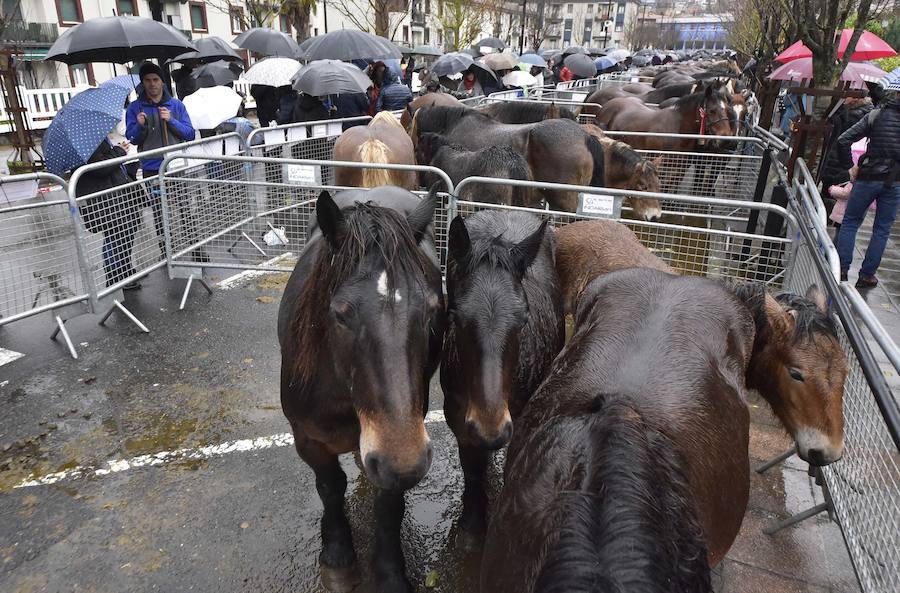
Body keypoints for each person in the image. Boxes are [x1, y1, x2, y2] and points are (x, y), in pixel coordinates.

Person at [125, 61, 197, 259]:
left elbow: (189, 133)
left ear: (162, 82)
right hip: (151, 167)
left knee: (184, 207)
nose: (152, 84)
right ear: (142, 83)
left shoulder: (175, 105)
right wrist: (140, 126)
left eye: (156, 80)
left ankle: (196, 247)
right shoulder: (135, 108)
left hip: (175, 165)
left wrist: (171, 120)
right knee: (159, 211)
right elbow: (132, 138)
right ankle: (167, 251)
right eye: (147, 80)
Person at [834, 90, 900, 289]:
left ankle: (842, 268)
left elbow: (843, 140)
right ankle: (867, 275)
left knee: (851, 221)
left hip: (867, 177)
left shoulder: (877, 114)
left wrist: (850, 167)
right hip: (895, 181)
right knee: (882, 229)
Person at [75, 138, 143, 290]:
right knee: (115, 236)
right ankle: (114, 278)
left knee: (125, 232)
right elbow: (100, 167)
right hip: (105, 198)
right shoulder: (86, 141)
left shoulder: (91, 137)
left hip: (112, 194)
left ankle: (124, 270)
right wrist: (119, 151)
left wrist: (118, 150)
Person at [820, 95, 873, 217]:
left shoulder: (856, 114)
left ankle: (829, 218)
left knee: (836, 192)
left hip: (843, 159)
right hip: (843, 158)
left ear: (856, 98)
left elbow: (843, 137)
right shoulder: (862, 112)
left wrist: (848, 165)